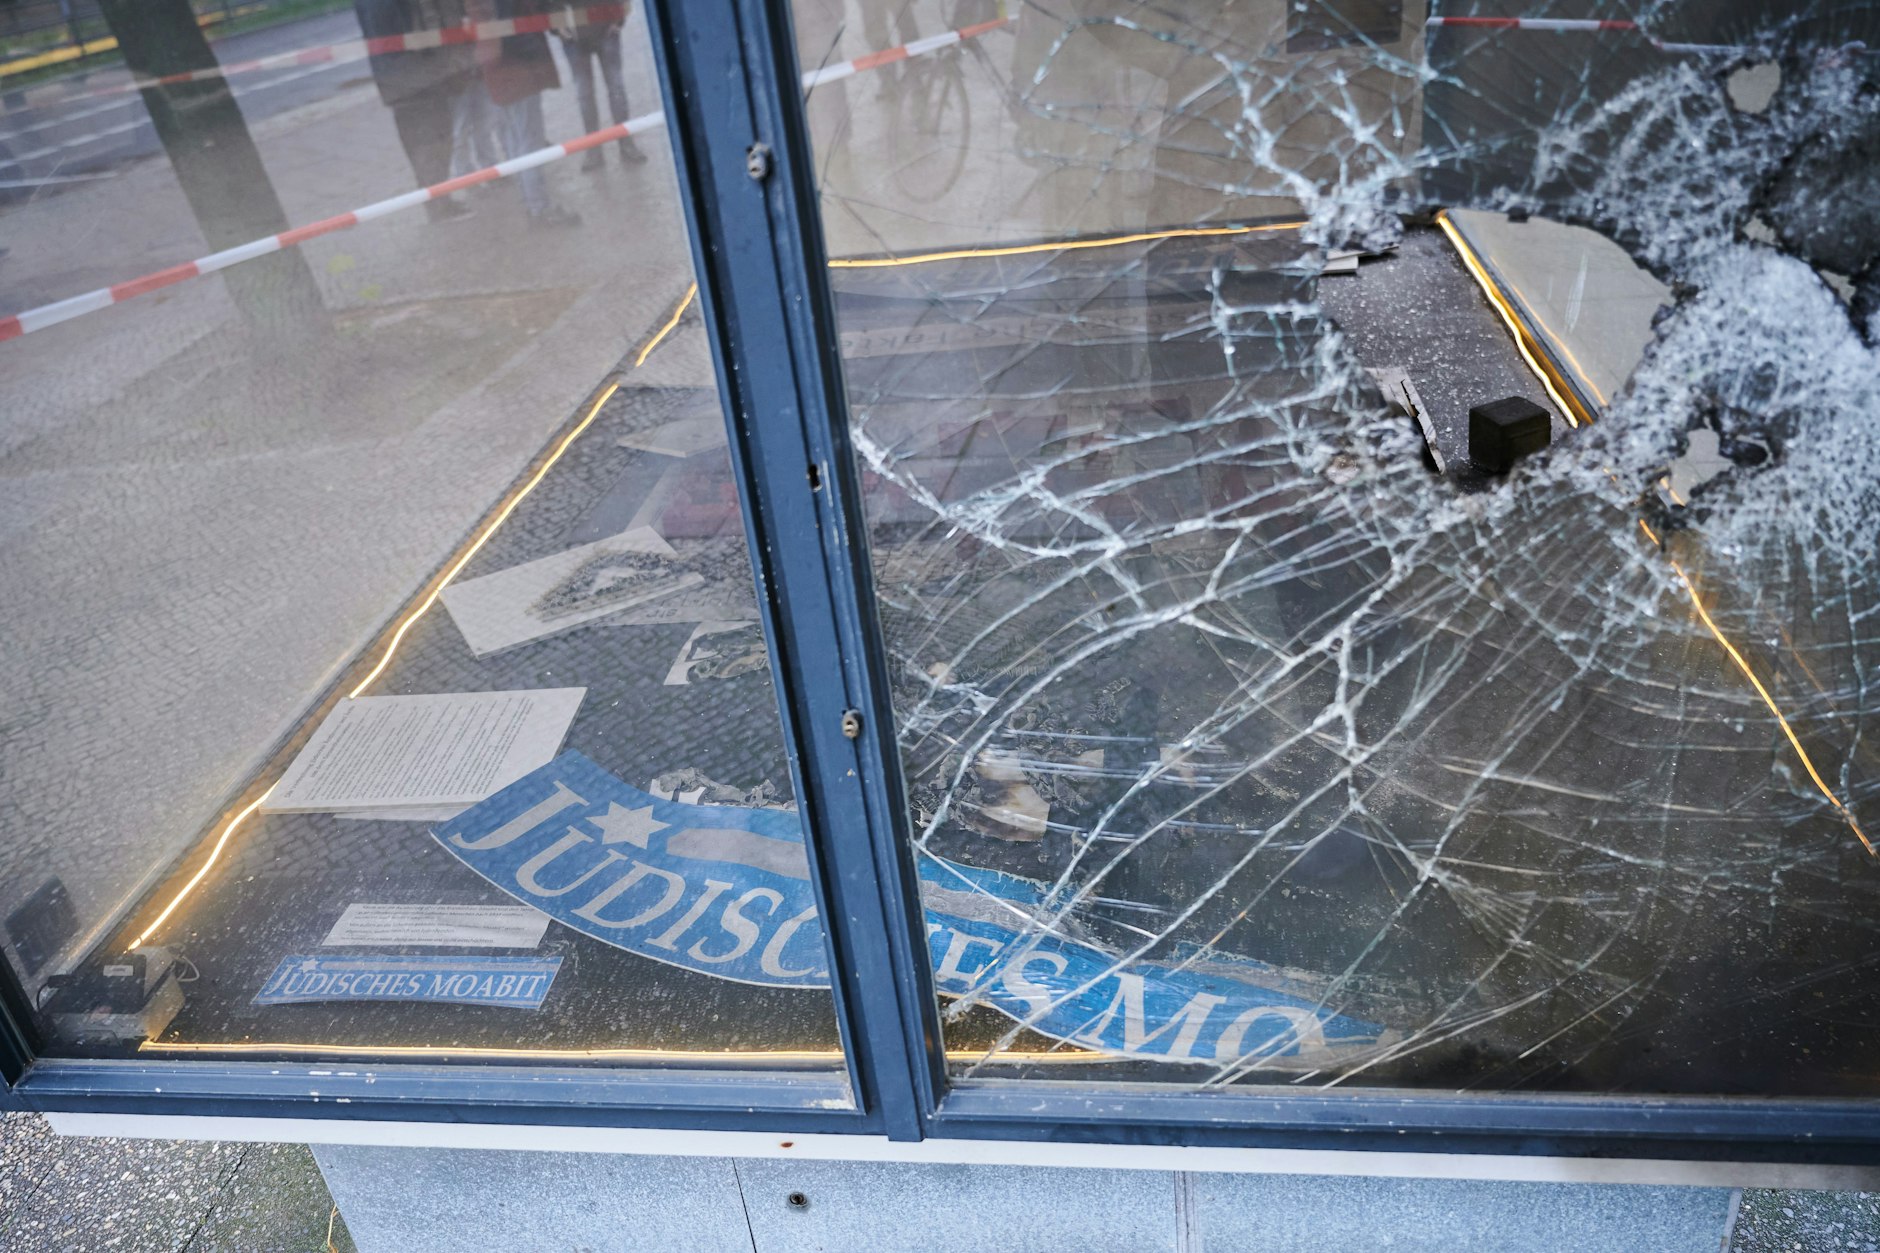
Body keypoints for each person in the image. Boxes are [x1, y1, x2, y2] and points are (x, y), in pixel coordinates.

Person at [354, 0, 476, 223]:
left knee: (419, 146)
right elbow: (416, 32)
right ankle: (439, 205)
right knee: (434, 142)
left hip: (394, 80)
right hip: (418, 78)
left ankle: (436, 202)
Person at [471, 0, 580, 227]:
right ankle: (539, 208)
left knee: (515, 139)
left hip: (500, 72)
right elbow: (513, 31)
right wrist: (535, 57)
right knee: (529, 140)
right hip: (518, 70)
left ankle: (533, 204)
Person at [553, 3, 645, 170]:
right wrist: (556, 27)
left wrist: (618, 19)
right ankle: (594, 148)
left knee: (615, 89)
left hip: (605, 27)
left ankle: (624, 142)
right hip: (573, 35)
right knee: (585, 94)